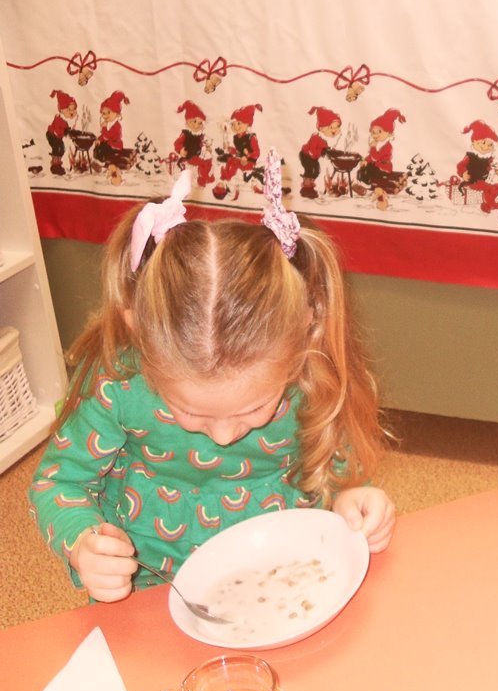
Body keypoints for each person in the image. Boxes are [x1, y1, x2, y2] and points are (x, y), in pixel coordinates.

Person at [28, 150, 396, 604]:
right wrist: (83, 544)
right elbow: (58, 482)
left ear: (304, 331)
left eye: (254, 408)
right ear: (140, 336)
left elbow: (337, 466)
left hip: (282, 576)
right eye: (191, 412)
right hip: (152, 588)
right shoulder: (118, 384)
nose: (223, 435)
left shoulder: (310, 373)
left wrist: (352, 497)